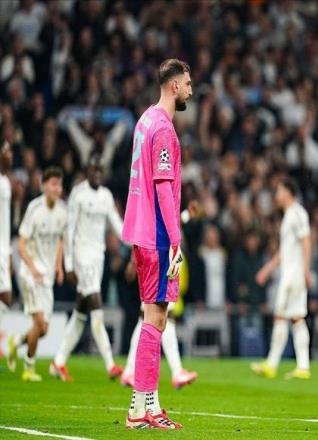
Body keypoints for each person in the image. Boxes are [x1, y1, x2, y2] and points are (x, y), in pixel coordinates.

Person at [121, 58, 192, 430]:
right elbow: (163, 186)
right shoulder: (163, 128)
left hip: (141, 228)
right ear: (174, 85)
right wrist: (176, 241)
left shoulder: (144, 120)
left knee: (153, 318)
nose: (191, 89)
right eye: (188, 83)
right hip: (158, 233)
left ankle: (143, 407)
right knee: (157, 318)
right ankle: (143, 410)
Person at [50, 153, 124, 382]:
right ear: (87, 170)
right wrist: (69, 264)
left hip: (98, 257)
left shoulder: (106, 196)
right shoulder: (78, 194)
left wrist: (137, 241)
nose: (97, 173)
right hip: (81, 255)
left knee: (81, 313)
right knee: (96, 303)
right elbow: (69, 229)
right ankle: (110, 364)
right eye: (94, 169)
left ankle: (58, 362)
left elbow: (117, 226)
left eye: (101, 170)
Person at [7, 166, 66, 382]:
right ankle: (28, 368)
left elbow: (60, 240)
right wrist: (32, 268)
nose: (57, 189)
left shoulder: (62, 211)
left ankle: (16, 342)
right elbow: (21, 244)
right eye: (53, 184)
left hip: (47, 276)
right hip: (30, 275)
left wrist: (59, 266)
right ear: (44, 186)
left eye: (59, 185)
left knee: (43, 330)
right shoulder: (34, 209)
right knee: (39, 323)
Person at [251, 177, 312, 380]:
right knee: (294, 317)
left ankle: (273, 364)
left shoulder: (297, 213)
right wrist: (267, 270)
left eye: (279, 191)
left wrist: (306, 270)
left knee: (284, 316)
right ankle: (301, 366)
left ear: (288, 191)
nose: (276, 195)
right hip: (291, 273)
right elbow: (285, 251)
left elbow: (306, 241)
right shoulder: (290, 215)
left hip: (294, 275)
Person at [120, 253, 198, 390]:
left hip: (159, 264)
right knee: (161, 315)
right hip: (156, 264)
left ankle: (129, 371)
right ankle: (176, 372)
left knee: (145, 320)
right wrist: (133, 261)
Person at [0, 142, 13, 331]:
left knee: (5, 297)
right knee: (5, 296)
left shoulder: (6, 182)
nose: (10, 154)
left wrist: (8, 252)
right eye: (6, 151)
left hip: (3, 249)